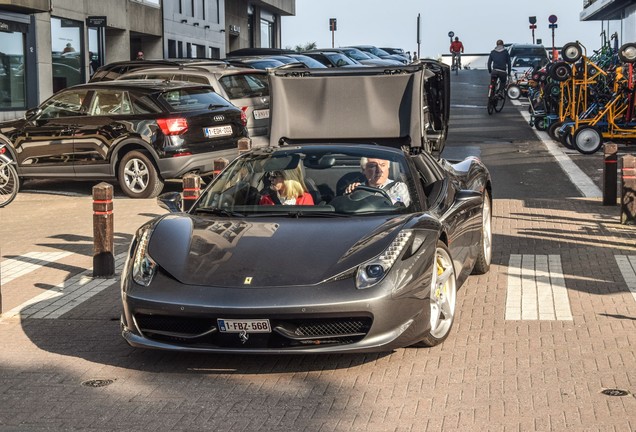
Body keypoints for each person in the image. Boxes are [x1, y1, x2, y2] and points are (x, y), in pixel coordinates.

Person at [345, 157, 410, 206]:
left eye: (383, 165)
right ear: (363, 170)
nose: (379, 170)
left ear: (388, 167)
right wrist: (350, 193)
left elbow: (397, 209)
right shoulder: (357, 188)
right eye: (373, 166)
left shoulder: (398, 187)